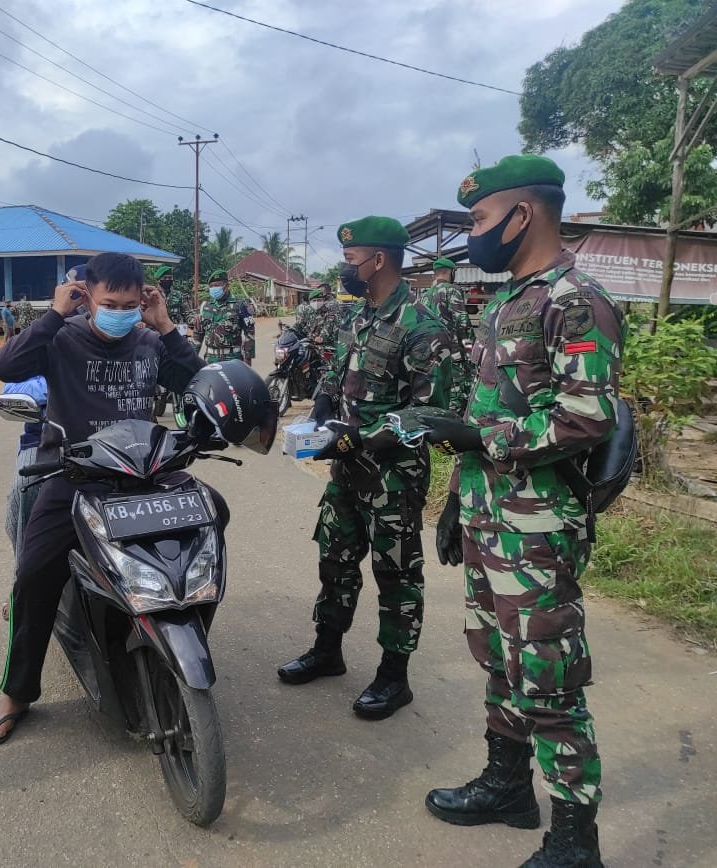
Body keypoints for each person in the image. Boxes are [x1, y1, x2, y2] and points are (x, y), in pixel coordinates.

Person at [419, 155, 623, 868]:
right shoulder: (509, 299)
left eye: (479, 218)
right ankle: (507, 786)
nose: (472, 233)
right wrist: (456, 498)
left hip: (536, 527)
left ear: (523, 214)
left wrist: (482, 439)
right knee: (498, 659)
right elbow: (486, 408)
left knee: (548, 677)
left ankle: (575, 841)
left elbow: (586, 416)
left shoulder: (576, 300)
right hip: (490, 518)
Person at [0, 251, 227, 745]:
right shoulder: (62, 338)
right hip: (74, 475)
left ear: (144, 300)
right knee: (34, 573)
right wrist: (54, 314)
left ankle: (179, 633)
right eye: (109, 304)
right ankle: (17, 691)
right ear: (87, 297)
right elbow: (6, 365)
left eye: (130, 305)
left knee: (213, 513)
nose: (120, 313)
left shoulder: (150, 341)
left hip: (145, 475)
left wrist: (166, 327)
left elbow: (199, 385)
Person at [276, 216, 453, 721]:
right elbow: (336, 374)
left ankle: (394, 677)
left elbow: (430, 411)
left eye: (350, 260)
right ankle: (327, 650)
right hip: (346, 471)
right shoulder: (358, 316)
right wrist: (320, 409)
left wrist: (366, 437)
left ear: (378, 260)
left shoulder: (422, 326)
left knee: (396, 576)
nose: (344, 269)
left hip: (393, 478)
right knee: (334, 561)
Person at [0, 374, 49, 621]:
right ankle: (22, 587)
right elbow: (12, 388)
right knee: (25, 489)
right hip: (43, 442)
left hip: (110, 436)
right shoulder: (42, 350)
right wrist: (59, 383)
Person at [418, 257, 475, 413]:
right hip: (452, 355)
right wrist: (471, 352)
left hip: (430, 355)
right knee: (455, 397)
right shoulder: (452, 290)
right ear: (450, 272)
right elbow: (463, 324)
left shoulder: (424, 295)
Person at [193, 269, 255, 363]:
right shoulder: (205, 307)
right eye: (211, 286)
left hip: (233, 359)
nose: (214, 288)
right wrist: (191, 359)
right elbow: (197, 335)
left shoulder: (241, 305)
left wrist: (248, 359)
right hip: (210, 360)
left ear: (226, 285)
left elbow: (250, 333)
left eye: (217, 285)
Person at [155, 265, 191, 330]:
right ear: (159, 280)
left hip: (175, 330)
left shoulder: (179, 295)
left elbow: (187, 313)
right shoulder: (152, 295)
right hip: (156, 331)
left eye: (170, 278)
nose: (168, 280)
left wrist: (193, 320)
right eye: (165, 278)